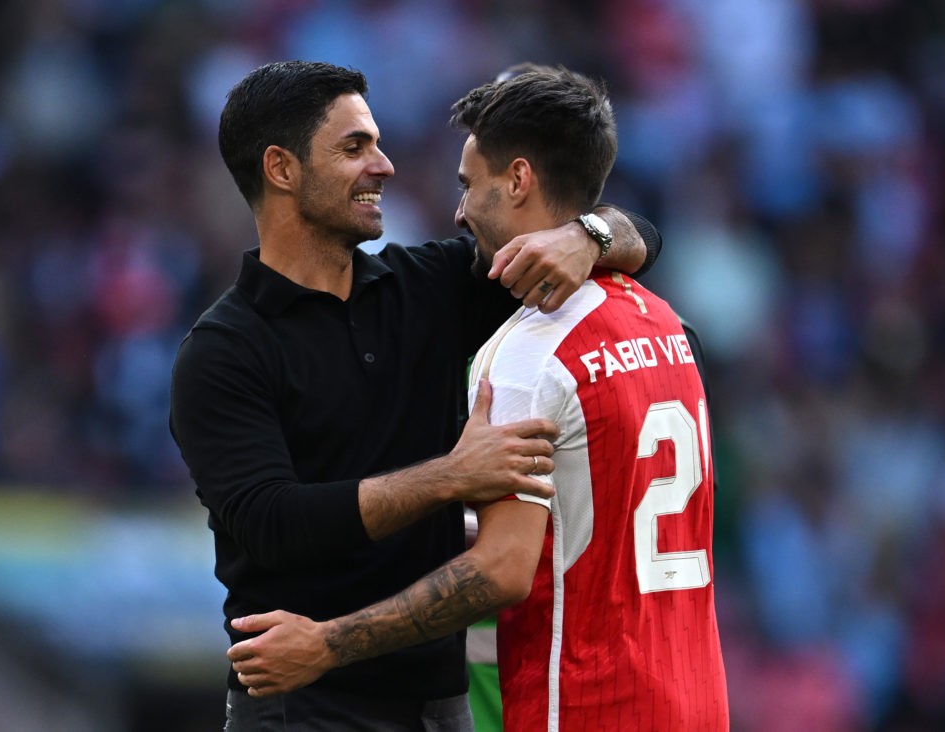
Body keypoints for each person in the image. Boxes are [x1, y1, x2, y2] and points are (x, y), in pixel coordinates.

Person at [226, 66, 730, 731]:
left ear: (519, 179)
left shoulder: (529, 349)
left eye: (468, 185)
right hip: (695, 697)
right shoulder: (666, 326)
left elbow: (500, 573)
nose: (459, 209)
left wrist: (326, 644)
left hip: (583, 701)